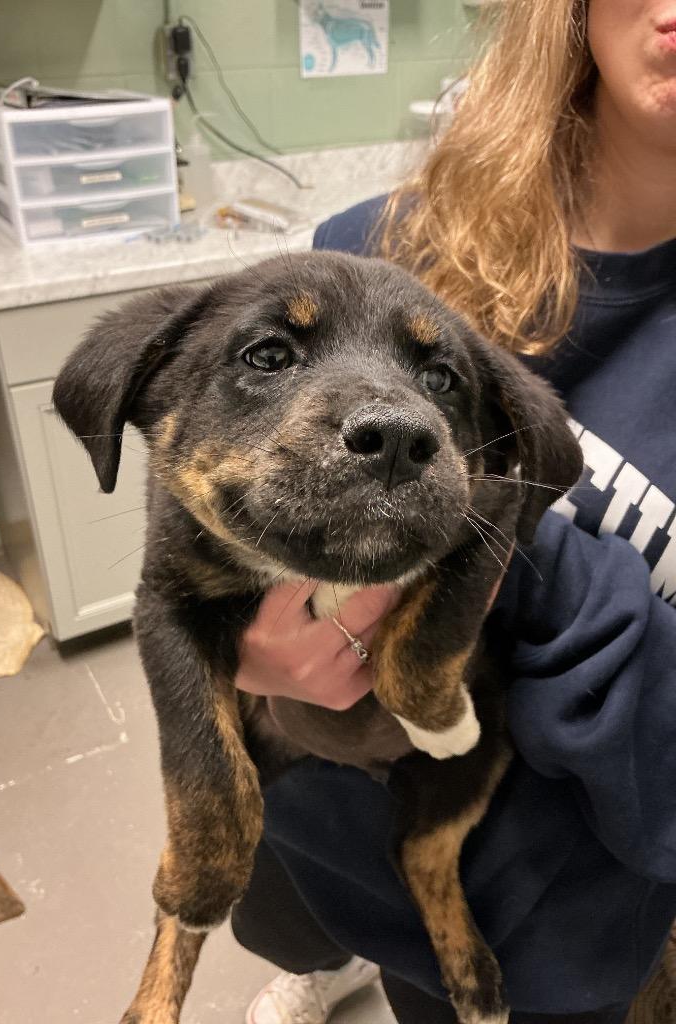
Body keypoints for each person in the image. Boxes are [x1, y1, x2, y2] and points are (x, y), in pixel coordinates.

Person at [230, 0, 676, 1022]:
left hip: (574, 930)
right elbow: (221, 521)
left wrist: (528, 562)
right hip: (359, 856)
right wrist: (238, 633)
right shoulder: (375, 256)